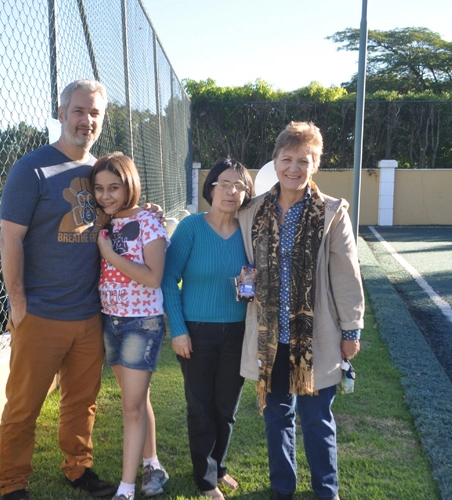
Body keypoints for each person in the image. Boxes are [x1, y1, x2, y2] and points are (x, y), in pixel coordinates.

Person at [0, 79, 118, 500]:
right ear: (61, 113)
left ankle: (78, 468)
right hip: (41, 313)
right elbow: (9, 238)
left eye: (95, 113)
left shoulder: (103, 172)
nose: (87, 120)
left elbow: (121, 213)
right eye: (79, 111)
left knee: (81, 402)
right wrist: (18, 302)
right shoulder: (31, 169)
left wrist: (144, 207)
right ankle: (13, 483)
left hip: (88, 313)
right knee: (23, 408)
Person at [237, 121, 364, 500]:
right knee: (277, 418)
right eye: (286, 158)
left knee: (317, 421)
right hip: (269, 337)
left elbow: (346, 273)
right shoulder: (252, 211)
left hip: (316, 337)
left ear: (315, 165)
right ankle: (282, 488)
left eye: (303, 161)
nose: (294, 168)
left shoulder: (331, 212)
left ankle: (327, 491)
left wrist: (351, 329)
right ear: (274, 162)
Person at [161, 158, 255, 500]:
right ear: (211, 188)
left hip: (238, 332)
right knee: (200, 406)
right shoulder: (191, 228)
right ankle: (206, 479)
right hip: (197, 332)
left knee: (226, 408)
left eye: (240, 186)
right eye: (224, 184)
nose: (232, 191)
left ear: (247, 193)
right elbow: (169, 280)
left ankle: (219, 465)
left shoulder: (249, 232)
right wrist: (179, 330)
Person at [91, 152, 170, 500]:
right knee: (135, 400)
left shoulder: (150, 222)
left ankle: (126, 489)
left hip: (142, 323)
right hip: (112, 321)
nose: (106, 196)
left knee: (131, 406)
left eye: (114, 188)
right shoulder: (103, 221)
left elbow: (154, 279)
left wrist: (110, 256)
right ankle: (153, 464)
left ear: (130, 186)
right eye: (99, 189)